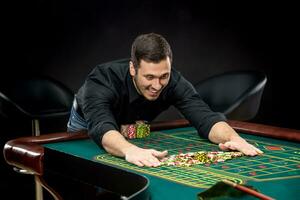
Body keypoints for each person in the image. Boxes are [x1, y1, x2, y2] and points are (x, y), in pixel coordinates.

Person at [67, 33, 262, 167]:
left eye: (164, 76)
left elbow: (205, 117)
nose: (158, 86)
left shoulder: (174, 82)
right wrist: (129, 150)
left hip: (133, 123)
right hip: (87, 122)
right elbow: (101, 126)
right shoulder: (102, 78)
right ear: (133, 69)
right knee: (89, 169)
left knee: (135, 151)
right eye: (149, 77)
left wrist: (233, 138)